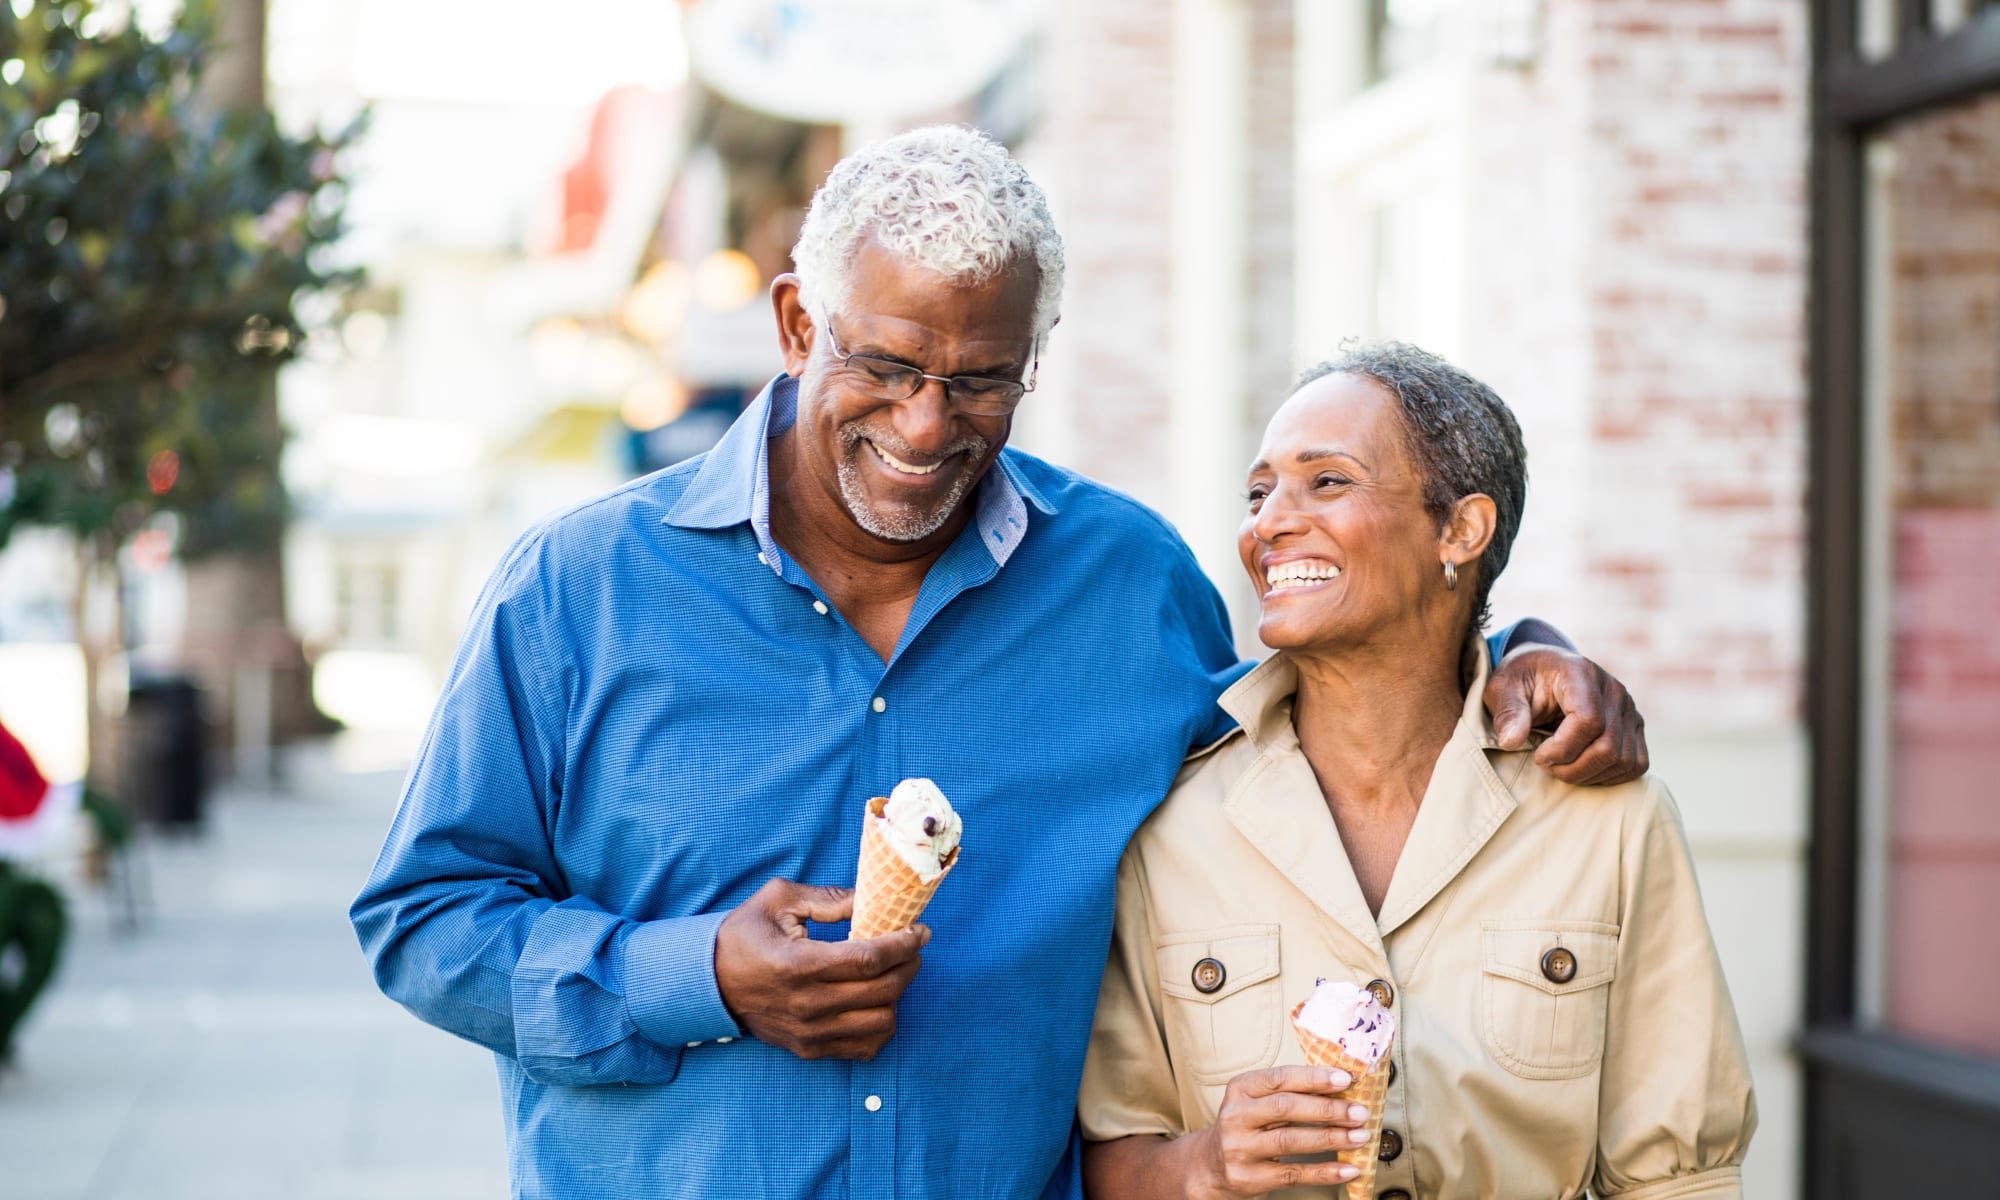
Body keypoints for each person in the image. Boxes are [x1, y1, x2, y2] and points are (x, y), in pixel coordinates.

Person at [350, 127, 1651, 1200]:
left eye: (981, 382)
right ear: (800, 323)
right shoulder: (580, 590)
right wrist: (698, 975)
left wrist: (1515, 652)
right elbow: (420, 920)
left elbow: (1327, 741)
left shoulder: (1128, 586)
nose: (926, 427)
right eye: (887, 364)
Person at [1077, 344, 1755, 1200]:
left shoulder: (1610, 821)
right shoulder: (1170, 825)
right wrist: (1205, 1165)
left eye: (1326, 482)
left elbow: (1676, 1178)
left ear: (1460, 530)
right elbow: (1107, 1156)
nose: (1269, 523)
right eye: (1259, 492)